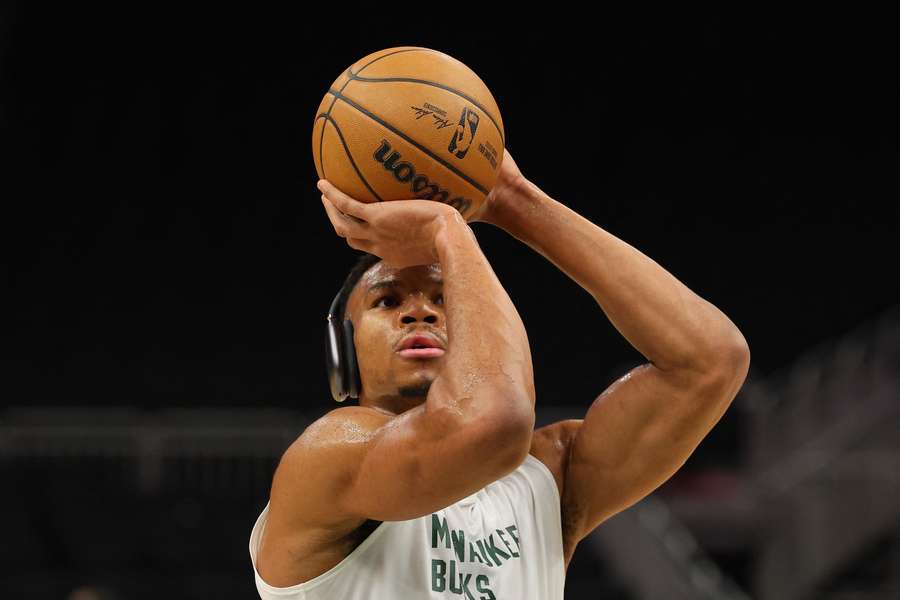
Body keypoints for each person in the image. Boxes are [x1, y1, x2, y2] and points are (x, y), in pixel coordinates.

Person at [248, 150, 750, 599]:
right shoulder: (328, 456)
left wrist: (516, 202)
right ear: (343, 350)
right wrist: (448, 232)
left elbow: (709, 361)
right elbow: (494, 422)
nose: (419, 313)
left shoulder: (546, 477)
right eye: (389, 299)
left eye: (445, 299)